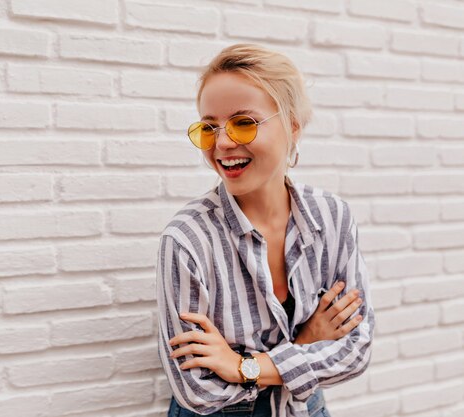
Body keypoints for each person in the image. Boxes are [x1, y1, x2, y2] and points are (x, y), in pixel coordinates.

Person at [155, 43, 375, 417]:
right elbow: (196, 389)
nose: (222, 143)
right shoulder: (187, 239)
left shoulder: (331, 217)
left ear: (292, 125)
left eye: (244, 123)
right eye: (209, 128)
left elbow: (355, 349)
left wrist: (244, 366)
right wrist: (305, 343)